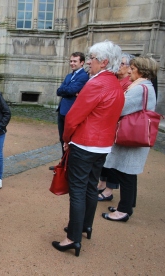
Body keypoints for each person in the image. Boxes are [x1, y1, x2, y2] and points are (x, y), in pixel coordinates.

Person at [52, 41, 125, 257]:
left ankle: (73, 237)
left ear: (104, 62)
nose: (89, 62)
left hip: (85, 144)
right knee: (90, 187)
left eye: (92, 58)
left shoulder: (96, 84)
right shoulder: (115, 84)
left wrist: (66, 139)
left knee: (77, 190)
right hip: (102, 145)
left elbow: (73, 117)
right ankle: (85, 226)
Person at [101, 56, 159, 222]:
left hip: (132, 136)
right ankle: (126, 206)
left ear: (141, 71)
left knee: (126, 173)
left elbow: (120, 107)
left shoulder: (140, 88)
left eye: (133, 69)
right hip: (134, 135)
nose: (129, 71)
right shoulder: (142, 86)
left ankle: (123, 210)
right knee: (128, 173)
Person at [98, 53, 134, 201]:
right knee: (105, 157)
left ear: (129, 68)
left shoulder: (128, 83)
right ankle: (102, 183)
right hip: (107, 124)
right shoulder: (115, 80)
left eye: (123, 64)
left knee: (113, 158)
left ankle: (109, 189)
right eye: (119, 63)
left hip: (118, 126)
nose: (119, 66)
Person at [51, 52, 88, 166]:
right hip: (62, 111)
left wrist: (66, 90)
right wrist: (67, 90)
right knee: (62, 138)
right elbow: (59, 91)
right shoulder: (69, 76)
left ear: (82, 63)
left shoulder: (83, 76)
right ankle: (64, 163)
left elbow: (70, 90)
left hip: (71, 112)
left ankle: (70, 165)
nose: (72, 63)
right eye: (71, 61)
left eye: (75, 61)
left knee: (70, 140)